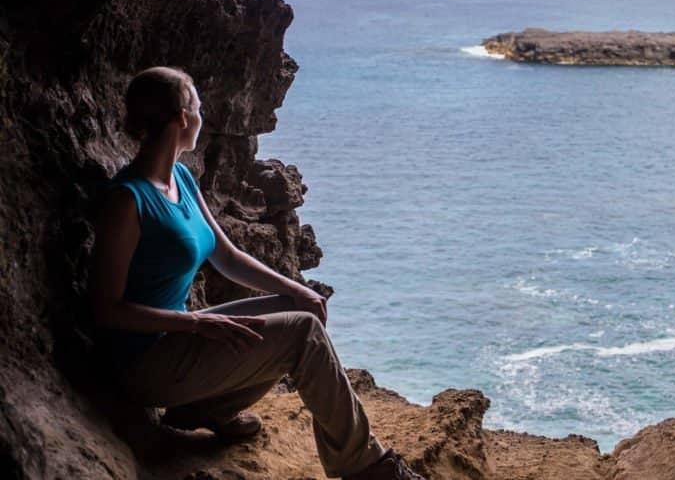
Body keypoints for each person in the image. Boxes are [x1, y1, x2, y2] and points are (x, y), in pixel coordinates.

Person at [90, 66, 424, 480]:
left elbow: (226, 257)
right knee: (301, 334)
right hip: (145, 364)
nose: (202, 115)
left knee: (299, 310)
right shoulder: (128, 199)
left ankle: (208, 409)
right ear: (181, 118)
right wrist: (196, 323)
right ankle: (369, 467)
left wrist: (297, 289)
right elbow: (105, 311)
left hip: (178, 339)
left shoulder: (181, 178)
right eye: (197, 107)